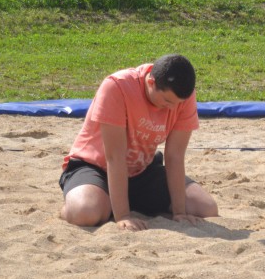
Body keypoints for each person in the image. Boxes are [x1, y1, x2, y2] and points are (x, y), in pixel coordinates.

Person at [59, 54, 218, 231]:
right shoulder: (117, 86)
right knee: (85, 212)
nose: (173, 108)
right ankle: (90, 203)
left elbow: (175, 155)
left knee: (205, 208)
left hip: (140, 170)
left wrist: (179, 212)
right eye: (167, 101)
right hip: (95, 166)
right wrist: (123, 216)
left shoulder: (181, 97)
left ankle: (116, 203)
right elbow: (114, 156)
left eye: (177, 103)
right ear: (151, 82)